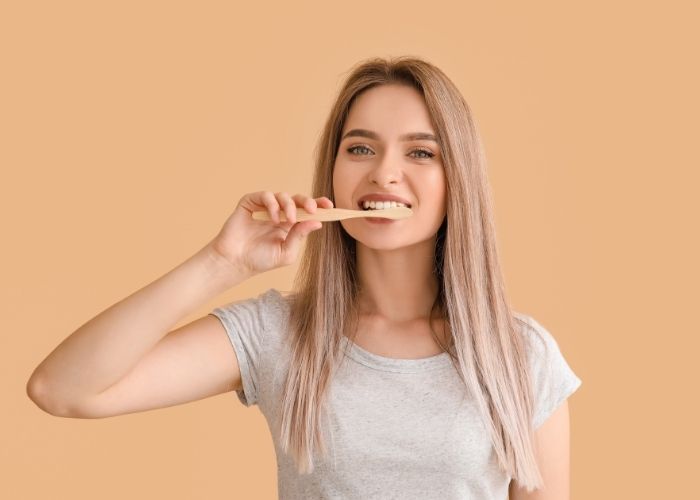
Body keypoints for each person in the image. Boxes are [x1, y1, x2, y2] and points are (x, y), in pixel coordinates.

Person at [26, 56, 582, 499]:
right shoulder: (278, 333)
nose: (384, 171)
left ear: (458, 178)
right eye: (360, 147)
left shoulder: (521, 355)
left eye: (420, 152)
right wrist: (224, 261)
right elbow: (63, 390)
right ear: (334, 172)